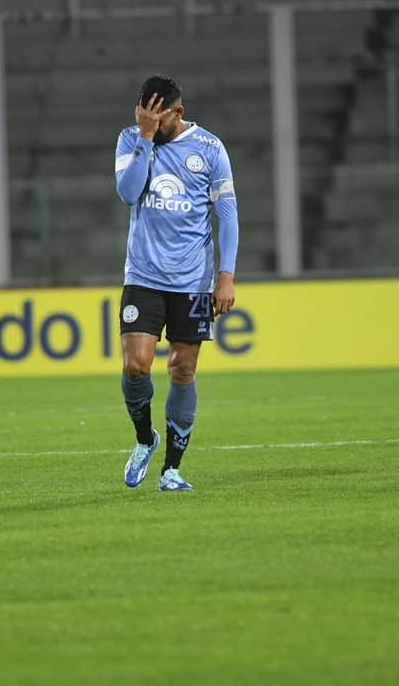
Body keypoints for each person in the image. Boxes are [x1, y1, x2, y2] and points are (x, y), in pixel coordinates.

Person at [113, 75, 239, 492]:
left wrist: (226, 276)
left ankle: (172, 469)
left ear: (178, 112)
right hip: (143, 275)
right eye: (142, 114)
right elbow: (129, 194)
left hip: (193, 280)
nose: (148, 121)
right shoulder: (131, 139)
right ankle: (145, 438)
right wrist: (145, 138)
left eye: (157, 117)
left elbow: (228, 215)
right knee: (136, 365)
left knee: (182, 368)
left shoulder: (210, 149)